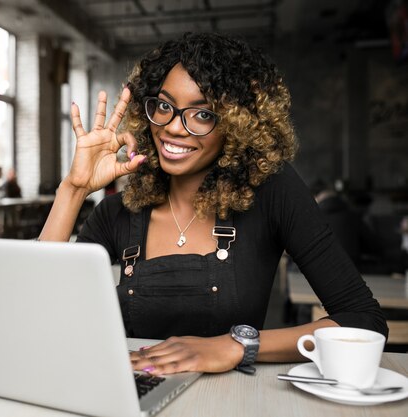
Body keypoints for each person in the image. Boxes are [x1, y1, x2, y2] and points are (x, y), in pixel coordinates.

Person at [39, 32, 387, 375]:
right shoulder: (118, 212)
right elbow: (37, 311)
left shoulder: (272, 193)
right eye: (164, 106)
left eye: (202, 114)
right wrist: (74, 188)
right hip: (134, 396)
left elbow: (363, 321)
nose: (174, 127)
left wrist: (239, 345)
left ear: (237, 127)